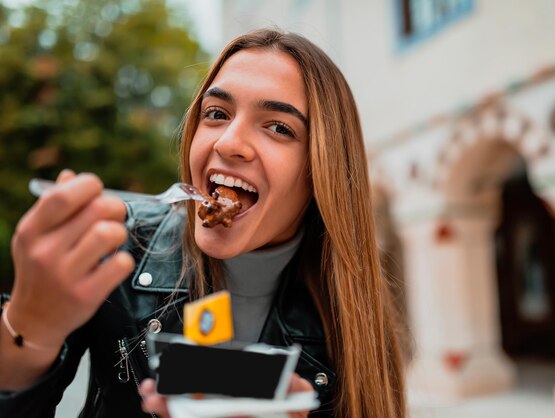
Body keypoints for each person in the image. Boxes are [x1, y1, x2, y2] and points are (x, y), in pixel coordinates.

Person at [0, 28, 406, 417]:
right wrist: (28, 327)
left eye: (279, 127)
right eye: (216, 113)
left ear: (322, 171)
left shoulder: (348, 319)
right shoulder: (117, 250)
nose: (227, 142)